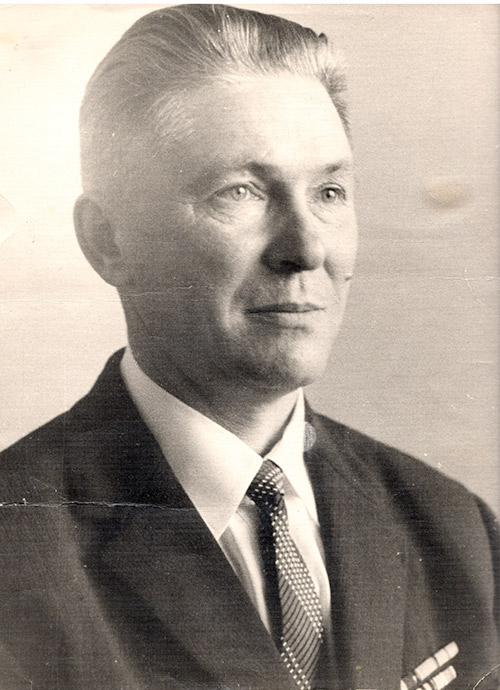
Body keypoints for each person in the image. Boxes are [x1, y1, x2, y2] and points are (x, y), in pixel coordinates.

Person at [0, 5, 497, 690]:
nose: (307, 249)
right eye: (240, 192)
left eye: (329, 191)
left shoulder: (452, 527)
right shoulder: (16, 551)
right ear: (108, 241)